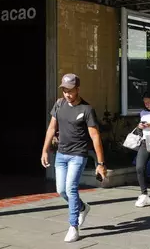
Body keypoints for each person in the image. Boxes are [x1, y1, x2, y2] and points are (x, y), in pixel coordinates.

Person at [40, 73, 107, 243]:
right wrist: (45, 150)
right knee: (61, 190)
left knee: (71, 188)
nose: (67, 94)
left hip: (78, 155)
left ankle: (73, 226)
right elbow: (51, 128)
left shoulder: (87, 109)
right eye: (64, 90)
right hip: (61, 155)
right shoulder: (59, 104)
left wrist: (100, 163)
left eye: (70, 90)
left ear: (77, 89)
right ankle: (83, 208)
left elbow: (95, 137)